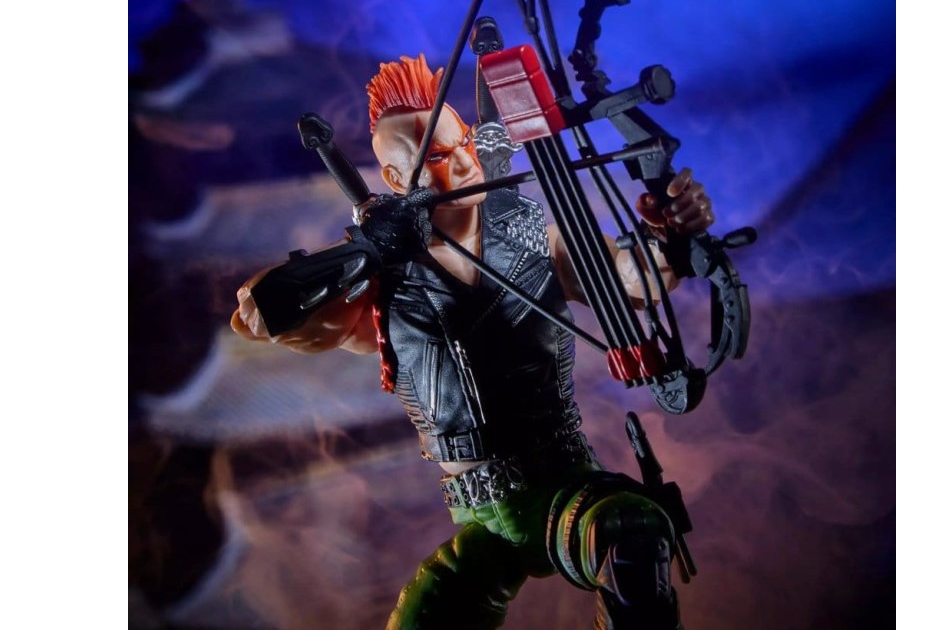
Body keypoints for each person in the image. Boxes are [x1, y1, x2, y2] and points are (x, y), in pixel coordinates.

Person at [232, 54, 714, 629]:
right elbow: (261, 313)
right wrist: (365, 251)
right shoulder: (383, 284)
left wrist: (671, 236)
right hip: (484, 522)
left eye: (462, 142)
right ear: (394, 181)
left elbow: (634, 281)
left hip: (566, 490)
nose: (463, 162)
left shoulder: (533, 236)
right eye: (437, 157)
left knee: (632, 531)